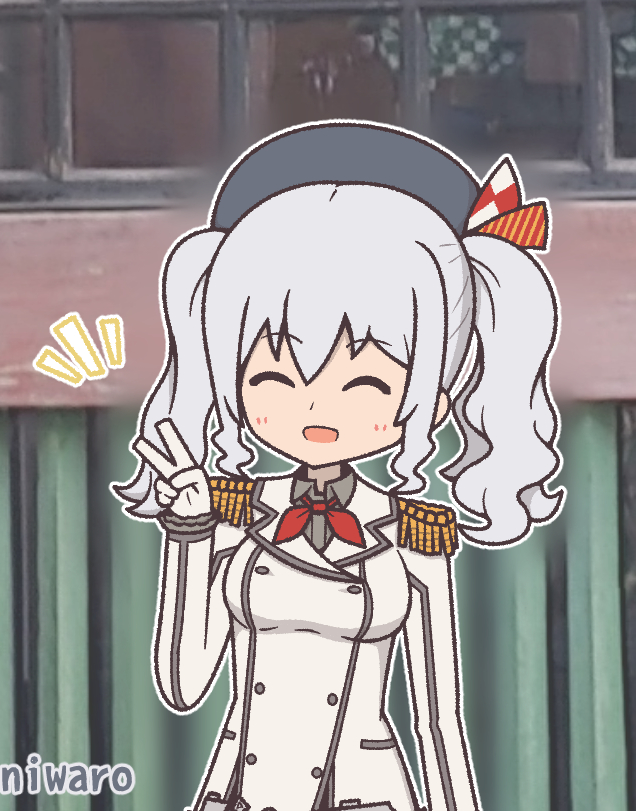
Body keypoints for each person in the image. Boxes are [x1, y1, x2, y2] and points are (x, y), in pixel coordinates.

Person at [112, 121, 564, 811]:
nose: (314, 406)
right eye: (272, 377)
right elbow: (182, 683)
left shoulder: (414, 534)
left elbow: (438, 722)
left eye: (366, 384)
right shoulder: (233, 509)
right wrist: (188, 531)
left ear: (434, 396)